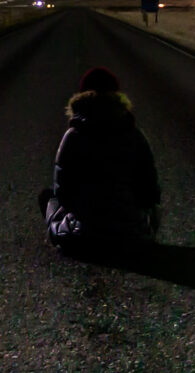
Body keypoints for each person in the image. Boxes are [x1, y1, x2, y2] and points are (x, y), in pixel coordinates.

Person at [39, 66, 161, 254]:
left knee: (48, 197)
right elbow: (150, 191)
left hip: (82, 236)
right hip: (131, 237)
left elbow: (63, 192)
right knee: (151, 207)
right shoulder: (134, 135)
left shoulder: (73, 136)